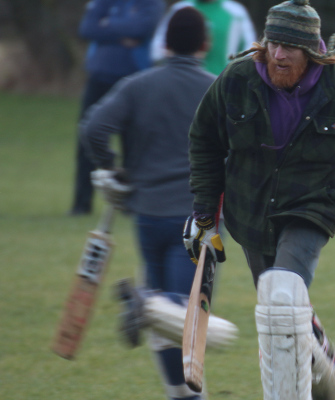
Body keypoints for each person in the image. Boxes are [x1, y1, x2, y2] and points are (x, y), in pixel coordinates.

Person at [182, 0, 335, 399]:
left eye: (290, 48)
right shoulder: (236, 80)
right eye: (273, 45)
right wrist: (203, 214)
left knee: (281, 296)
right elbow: (204, 141)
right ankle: (321, 355)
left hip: (313, 208)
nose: (278, 55)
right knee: (277, 302)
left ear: (313, 52)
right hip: (250, 212)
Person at [80, 8, 234, 400]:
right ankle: (145, 304)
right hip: (198, 220)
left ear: (163, 42)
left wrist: (112, 169)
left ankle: (182, 393)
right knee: (182, 314)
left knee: (172, 322)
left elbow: (93, 129)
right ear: (206, 44)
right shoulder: (217, 90)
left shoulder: (137, 86)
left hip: (147, 215)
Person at [69, 0, 165, 215]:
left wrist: (107, 25)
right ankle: (81, 204)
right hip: (99, 77)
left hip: (134, 78)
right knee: (87, 136)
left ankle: (131, 205)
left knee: (134, 143)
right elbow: (87, 27)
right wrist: (123, 30)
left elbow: (142, 29)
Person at [151, 0, 256, 75]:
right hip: (183, 81)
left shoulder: (236, 12)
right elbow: (157, 48)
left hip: (221, 86)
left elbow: (251, 50)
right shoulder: (181, 9)